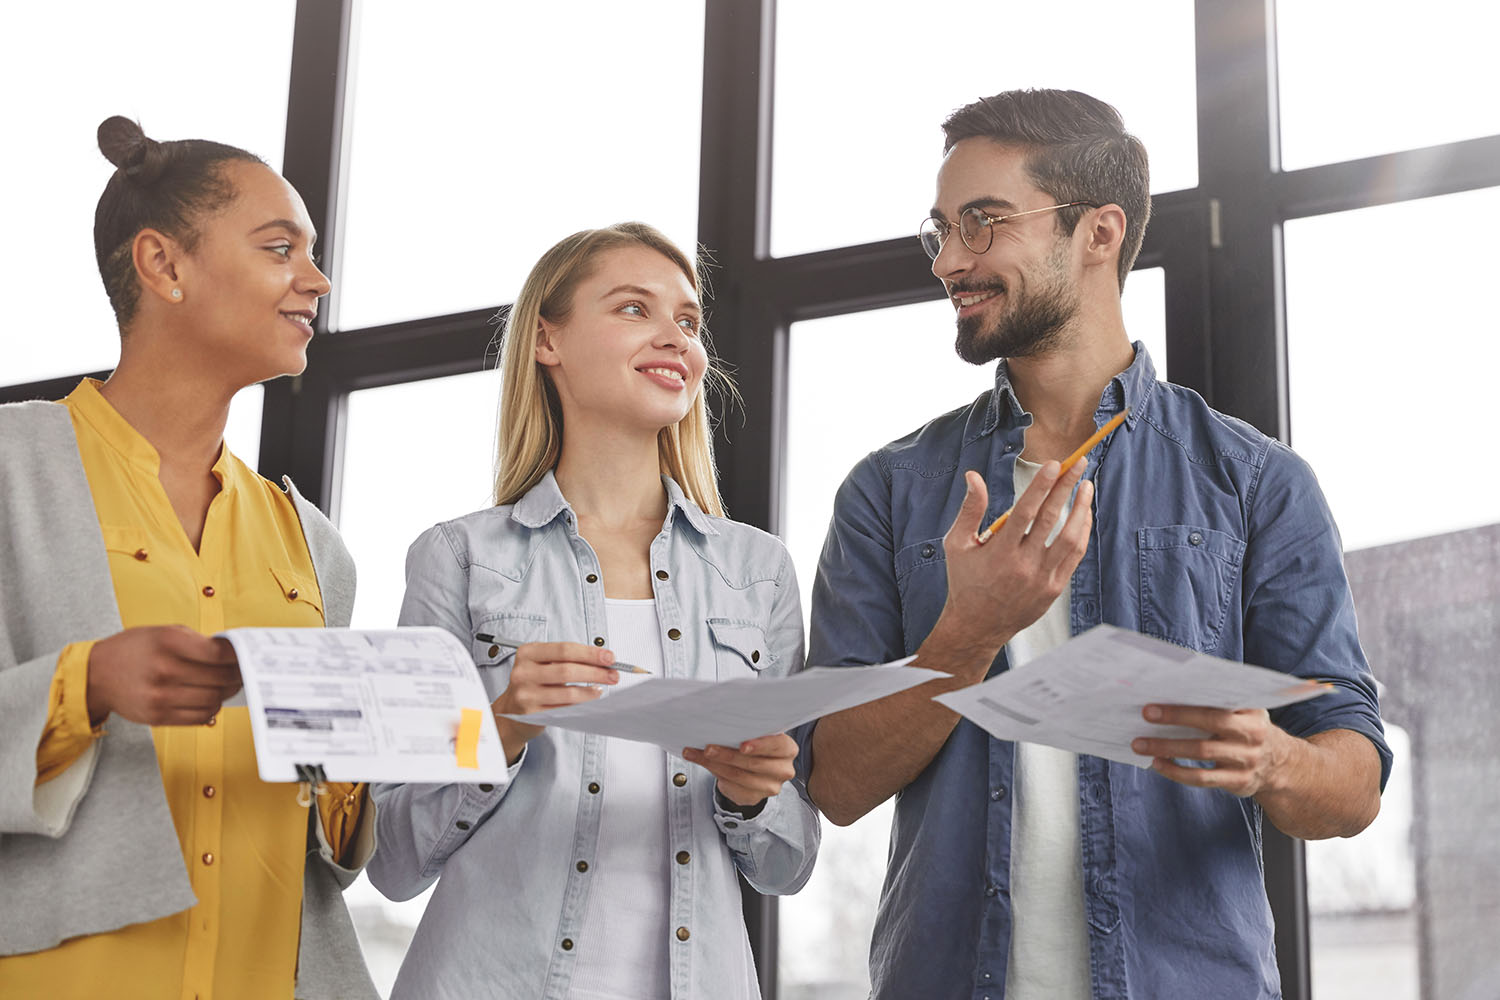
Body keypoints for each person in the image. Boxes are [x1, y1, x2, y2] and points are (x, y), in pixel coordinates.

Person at [799, 89, 1390, 999]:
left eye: (983, 224)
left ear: (1099, 233)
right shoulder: (889, 492)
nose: (950, 261)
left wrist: (1275, 759)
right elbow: (833, 780)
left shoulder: (1257, 483)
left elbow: (1352, 781)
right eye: (941, 232)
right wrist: (968, 636)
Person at [368, 223, 820, 1000]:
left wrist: (753, 794)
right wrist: (502, 730)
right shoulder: (459, 559)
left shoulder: (757, 572)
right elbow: (392, 858)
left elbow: (788, 863)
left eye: (687, 320)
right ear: (548, 339)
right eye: (634, 309)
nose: (674, 337)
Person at [0, 118, 376, 999]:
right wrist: (81, 686)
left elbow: (338, 839)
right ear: (163, 265)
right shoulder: (10, 473)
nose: (316, 281)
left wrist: (393, 741)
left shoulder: (316, 548)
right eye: (281, 248)